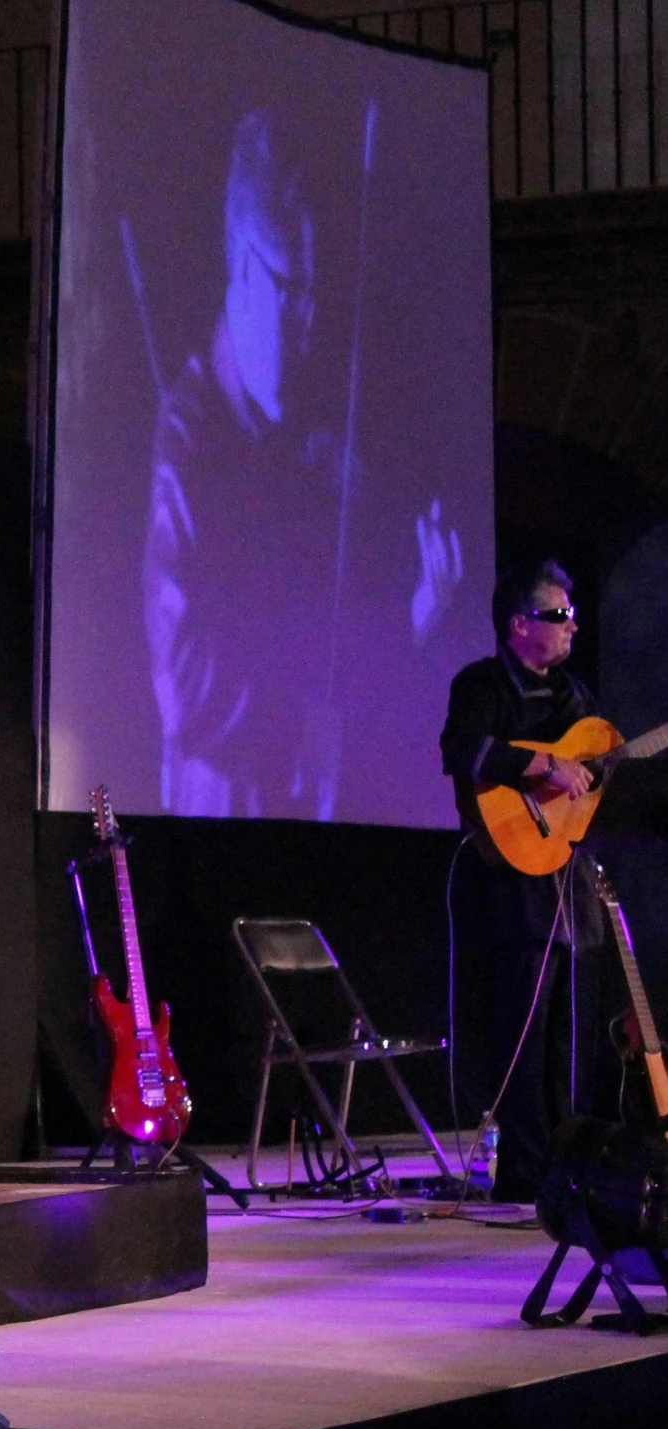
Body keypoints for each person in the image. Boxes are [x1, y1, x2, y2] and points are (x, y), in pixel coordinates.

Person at [146, 108, 462, 819]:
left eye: (315, 297)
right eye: (294, 294)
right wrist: (303, 730)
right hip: (225, 829)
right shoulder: (193, 436)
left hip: (301, 830)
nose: (309, 323)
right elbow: (186, 684)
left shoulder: (294, 441)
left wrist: (414, 615)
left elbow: (329, 649)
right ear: (245, 269)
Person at [440, 560, 617, 1201]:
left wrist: (591, 777)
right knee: (524, 1022)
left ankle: (571, 1158)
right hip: (509, 878)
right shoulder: (482, 684)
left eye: (572, 615)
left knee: (575, 1020)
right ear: (519, 625)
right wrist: (541, 762)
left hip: (566, 876)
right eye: (558, 615)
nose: (572, 626)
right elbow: (460, 749)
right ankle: (525, 1163)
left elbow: (593, 776)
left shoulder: (576, 696)